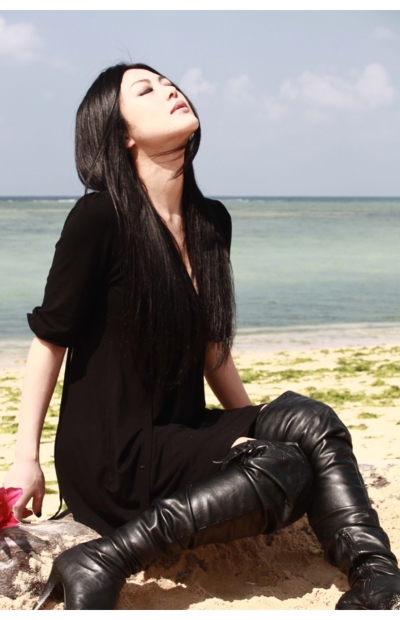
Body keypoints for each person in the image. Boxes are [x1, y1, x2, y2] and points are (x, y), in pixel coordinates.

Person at [3, 63, 400, 611]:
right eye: (146, 90)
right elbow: (51, 339)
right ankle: (103, 559)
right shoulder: (100, 216)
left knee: (313, 420)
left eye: (169, 83)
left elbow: (212, 351)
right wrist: (25, 458)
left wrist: (255, 426)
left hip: (180, 431)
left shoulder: (211, 221)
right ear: (122, 133)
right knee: (283, 469)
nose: (169, 90)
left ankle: (377, 575)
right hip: (111, 451)